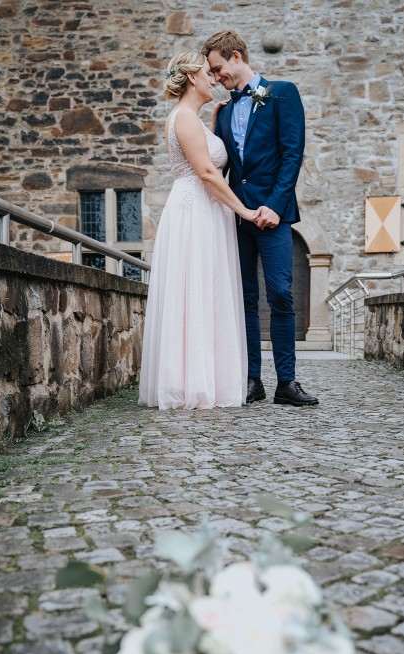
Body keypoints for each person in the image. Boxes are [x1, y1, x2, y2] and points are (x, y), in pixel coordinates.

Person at [202, 31, 318, 407]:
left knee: (281, 295)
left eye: (218, 69)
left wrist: (274, 204)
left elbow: (292, 155)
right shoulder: (224, 110)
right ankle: (252, 380)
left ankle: (287, 382)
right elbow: (224, 167)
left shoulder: (283, 92)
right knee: (245, 299)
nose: (216, 78)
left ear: (236, 56)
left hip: (273, 215)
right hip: (237, 216)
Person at [138, 51, 259, 410]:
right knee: (195, 290)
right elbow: (207, 174)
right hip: (196, 210)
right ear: (191, 77)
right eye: (208, 72)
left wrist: (214, 122)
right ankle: (191, 384)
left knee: (205, 292)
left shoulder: (192, 118)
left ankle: (201, 378)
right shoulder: (185, 119)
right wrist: (245, 212)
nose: (214, 78)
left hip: (203, 210)